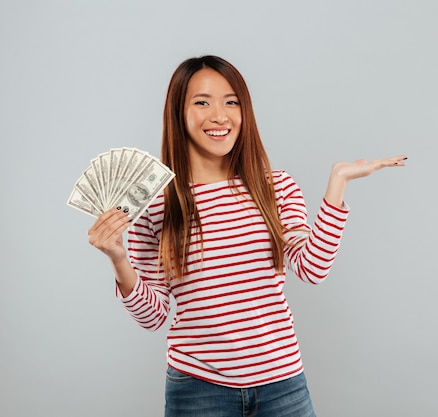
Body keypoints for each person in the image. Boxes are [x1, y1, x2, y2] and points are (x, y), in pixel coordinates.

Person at [87, 55, 406, 417]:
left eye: (231, 101)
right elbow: (154, 316)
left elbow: (312, 268)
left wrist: (338, 183)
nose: (220, 115)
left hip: (283, 384)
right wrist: (118, 258)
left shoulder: (276, 186)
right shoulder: (155, 204)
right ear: (179, 112)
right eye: (202, 102)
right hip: (197, 390)